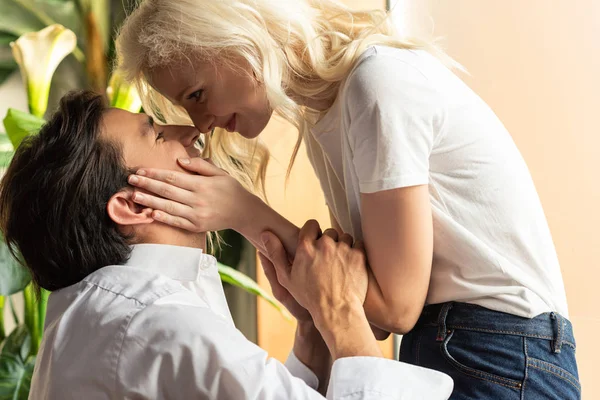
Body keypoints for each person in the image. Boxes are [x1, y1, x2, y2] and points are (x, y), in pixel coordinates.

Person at [114, 0, 580, 399]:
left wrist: (242, 211)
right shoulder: (326, 113)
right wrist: (312, 296)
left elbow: (395, 309)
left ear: (239, 36)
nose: (199, 123)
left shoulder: (377, 85)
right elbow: (368, 308)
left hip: (498, 352)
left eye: (197, 94)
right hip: (455, 345)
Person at [0, 91, 453, 399]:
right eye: (157, 134)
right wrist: (342, 315)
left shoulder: (97, 314)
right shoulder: (155, 322)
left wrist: (314, 336)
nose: (190, 131)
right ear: (132, 205)